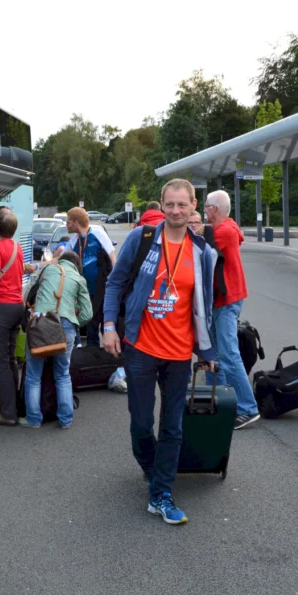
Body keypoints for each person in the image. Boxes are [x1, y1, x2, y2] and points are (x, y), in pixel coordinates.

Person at [103, 178, 217, 526]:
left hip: (179, 352)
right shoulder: (143, 239)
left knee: (173, 425)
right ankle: (153, 469)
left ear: (194, 205)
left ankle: (162, 493)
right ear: (162, 205)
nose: (176, 211)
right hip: (140, 347)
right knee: (140, 422)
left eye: (183, 204)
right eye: (170, 204)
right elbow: (115, 282)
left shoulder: (202, 252)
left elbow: (205, 305)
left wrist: (207, 349)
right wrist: (109, 325)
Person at [203, 190, 260, 429]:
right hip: (220, 300)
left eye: (206, 207)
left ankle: (248, 408)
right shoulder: (227, 228)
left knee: (228, 354)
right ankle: (220, 400)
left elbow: (199, 244)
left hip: (227, 301)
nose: (204, 211)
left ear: (215, 209)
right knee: (214, 354)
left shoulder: (224, 231)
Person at [19, 251, 92, 429]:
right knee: (62, 374)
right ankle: (66, 420)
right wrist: (75, 323)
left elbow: (31, 292)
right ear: (77, 265)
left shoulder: (49, 270)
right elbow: (88, 313)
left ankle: (33, 419)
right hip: (65, 326)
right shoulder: (79, 279)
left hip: (40, 323)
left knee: (33, 375)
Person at [0, 210, 27, 426]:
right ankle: (9, 402)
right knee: (9, 360)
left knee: (0, 363)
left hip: (0, 309)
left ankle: (8, 414)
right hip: (17, 307)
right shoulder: (18, 248)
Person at [54, 208, 116, 347]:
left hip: (103, 291)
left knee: (106, 327)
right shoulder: (74, 241)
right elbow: (59, 260)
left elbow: (113, 258)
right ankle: (92, 363)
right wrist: (38, 266)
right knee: (90, 329)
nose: (66, 225)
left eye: (68, 222)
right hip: (85, 294)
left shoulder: (98, 234)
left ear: (76, 223)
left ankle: (111, 362)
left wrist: (114, 285)